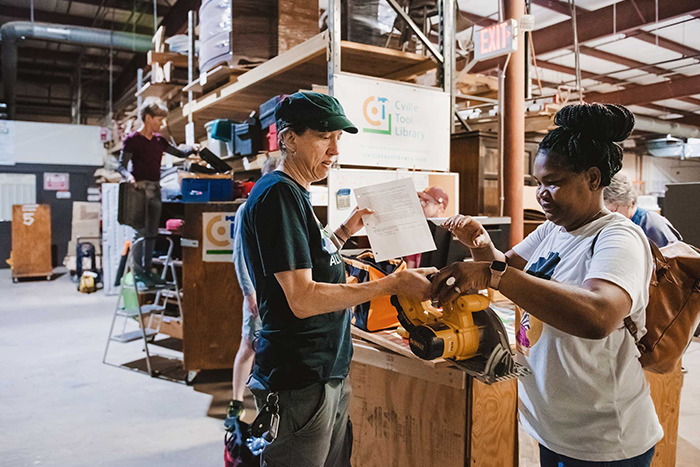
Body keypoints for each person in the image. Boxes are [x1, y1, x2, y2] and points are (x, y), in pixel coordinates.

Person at [434, 103, 662, 467]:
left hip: (602, 440)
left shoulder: (617, 237)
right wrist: (479, 244)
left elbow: (599, 316)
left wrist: (492, 272)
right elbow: (504, 268)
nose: (541, 194)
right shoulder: (553, 230)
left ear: (592, 178)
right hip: (554, 427)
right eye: (538, 183)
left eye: (554, 182)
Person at [240, 91, 436, 467]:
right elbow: (302, 297)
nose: (334, 150)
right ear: (289, 138)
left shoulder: (295, 193)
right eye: (324, 137)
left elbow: (307, 259)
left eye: (338, 140)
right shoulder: (279, 195)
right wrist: (392, 284)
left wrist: (346, 230)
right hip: (299, 374)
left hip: (323, 369)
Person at [224, 156, 281, 430]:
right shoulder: (247, 208)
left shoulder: (283, 209)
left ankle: (268, 406)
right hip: (257, 295)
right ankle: (235, 401)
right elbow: (239, 257)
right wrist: (249, 293)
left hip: (278, 294)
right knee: (248, 347)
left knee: (271, 350)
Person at [118, 101, 197, 288]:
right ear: (147, 118)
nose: (161, 124)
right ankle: (138, 273)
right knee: (140, 233)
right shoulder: (132, 140)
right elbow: (120, 165)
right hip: (139, 190)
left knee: (152, 233)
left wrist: (193, 149)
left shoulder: (159, 141)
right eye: (159, 119)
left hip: (156, 189)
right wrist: (129, 176)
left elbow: (178, 153)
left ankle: (147, 271)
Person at [604, 173, 682, 247]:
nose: (609, 216)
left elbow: (673, 256)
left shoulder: (652, 224)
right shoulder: (615, 225)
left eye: (613, 210)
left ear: (628, 202)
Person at [404, 186, 449, 268]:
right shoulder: (417, 232)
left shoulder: (450, 232)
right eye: (420, 201)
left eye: (426, 201)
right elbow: (411, 265)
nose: (421, 205)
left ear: (440, 207)